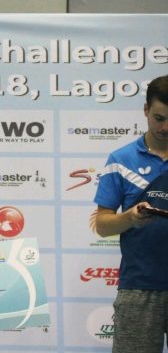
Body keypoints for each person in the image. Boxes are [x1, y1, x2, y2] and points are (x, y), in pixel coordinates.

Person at [94, 75, 168, 353]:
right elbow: (102, 225)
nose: (166, 127)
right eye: (159, 118)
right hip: (138, 287)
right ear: (146, 110)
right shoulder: (121, 160)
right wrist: (130, 218)